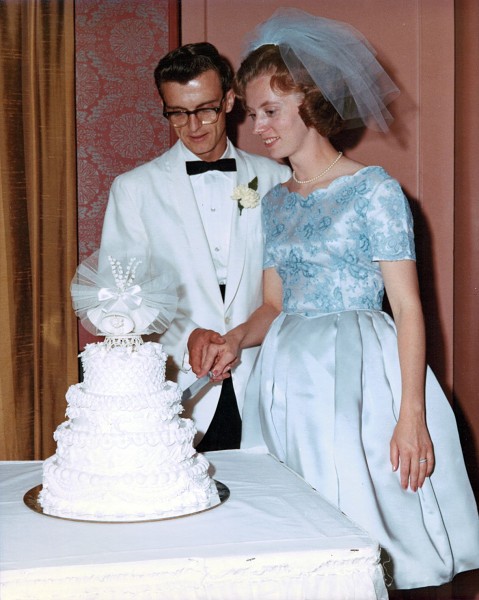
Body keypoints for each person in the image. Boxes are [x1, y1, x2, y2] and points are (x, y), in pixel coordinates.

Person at [190, 8, 479, 591]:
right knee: (299, 529)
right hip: (287, 378)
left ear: (312, 103)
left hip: (360, 378)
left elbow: (408, 308)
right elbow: (273, 306)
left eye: (271, 111)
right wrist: (234, 339)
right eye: (252, 113)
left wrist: (412, 415)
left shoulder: (374, 190)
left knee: (369, 528)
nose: (257, 127)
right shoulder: (274, 201)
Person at [99, 42, 290, 451]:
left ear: (230, 101)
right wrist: (189, 334)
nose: (194, 126)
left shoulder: (275, 179)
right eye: (178, 113)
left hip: (265, 383)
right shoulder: (133, 190)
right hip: (181, 390)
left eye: (206, 109)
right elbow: (119, 302)